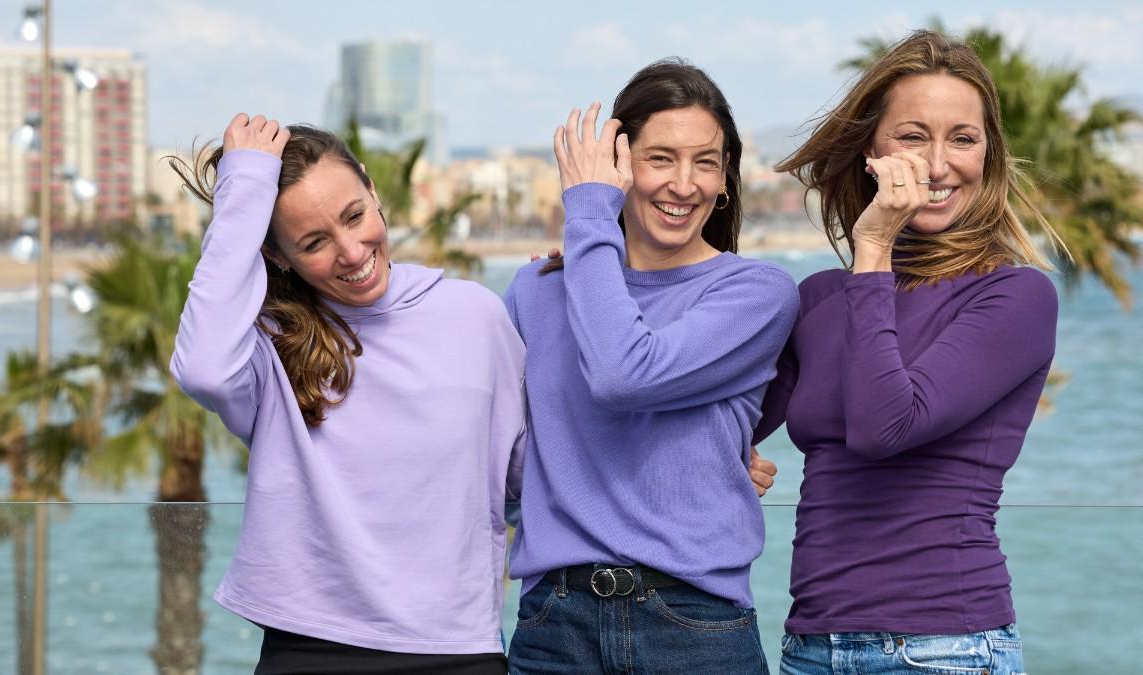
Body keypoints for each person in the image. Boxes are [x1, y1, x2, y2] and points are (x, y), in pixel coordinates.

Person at [169, 114, 524, 674]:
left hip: (455, 649)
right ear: (279, 257)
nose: (353, 252)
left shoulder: (476, 316)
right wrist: (243, 187)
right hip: (309, 647)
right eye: (313, 242)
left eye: (355, 216)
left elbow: (525, 476)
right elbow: (203, 370)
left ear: (372, 189)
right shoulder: (269, 344)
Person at [754, 30, 1062, 674]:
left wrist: (872, 252)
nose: (940, 163)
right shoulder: (820, 299)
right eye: (914, 136)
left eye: (964, 138)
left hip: (943, 648)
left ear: (989, 154)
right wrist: (609, 268)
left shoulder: (1015, 295)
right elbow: (705, 425)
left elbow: (884, 425)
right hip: (811, 648)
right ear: (872, 151)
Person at [503, 59, 800, 674]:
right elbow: (501, 464)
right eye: (660, 158)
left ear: (726, 179)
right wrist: (700, 465)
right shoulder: (535, 291)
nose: (685, 184)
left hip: (693, 627)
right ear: (618, 163)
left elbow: (624, 375)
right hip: (553, 626)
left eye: (706, 162)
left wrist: (587, 215)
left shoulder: (756, 292)